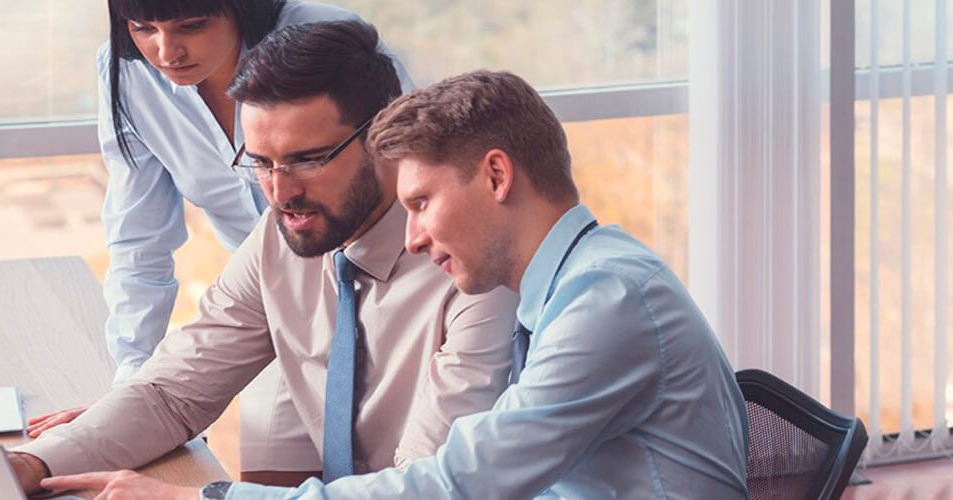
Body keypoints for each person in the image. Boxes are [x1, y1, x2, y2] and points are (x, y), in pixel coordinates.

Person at [48, 70, 752, 499]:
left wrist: (210, 499)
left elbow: (459, 486)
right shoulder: (574, 284)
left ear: (497, 177)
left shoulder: (607, 303)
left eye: (420, 203)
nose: (411, 237)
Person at [8, 21, 516, 497]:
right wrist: (31, 466)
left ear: (384, 138)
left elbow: (424, 488)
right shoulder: (284, 235)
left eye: (307, 159)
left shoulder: (473, 266)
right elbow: (174, 392)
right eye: (261, 162)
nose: (280, 191)